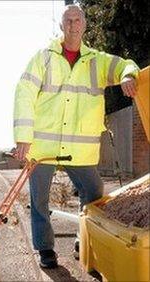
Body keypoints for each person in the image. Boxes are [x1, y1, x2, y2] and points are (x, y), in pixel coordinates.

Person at [13, 4, 138, 268]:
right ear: (61, 26)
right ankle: (46, 250)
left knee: (93, 193)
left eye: (77, 19)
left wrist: (128, 75)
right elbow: (24, 92)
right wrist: (23, 137)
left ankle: (85, 240)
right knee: (39, 200)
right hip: (42, 145)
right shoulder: (43, 57)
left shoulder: (97, 60)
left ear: (84, 24)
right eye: (67, 20)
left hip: (79, 149)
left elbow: (125, 65)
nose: (73, 24)